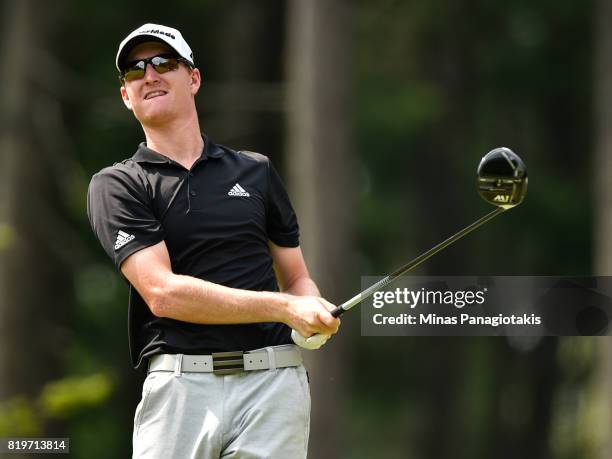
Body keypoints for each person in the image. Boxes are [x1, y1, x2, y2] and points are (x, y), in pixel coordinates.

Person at [86, 23, 341, 458]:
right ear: (126, 96)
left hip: (273, 387)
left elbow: (297, 277)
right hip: (181, 390)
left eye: (164, 63)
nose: (149, 75)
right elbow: (163, 294)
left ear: (194, 78)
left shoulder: (254, 171)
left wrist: (311, 317)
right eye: (134, 71)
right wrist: (284, 307)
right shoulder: (118, 184)